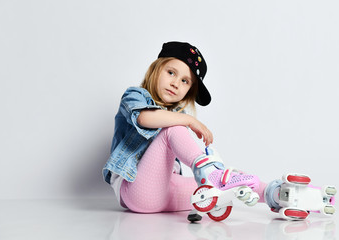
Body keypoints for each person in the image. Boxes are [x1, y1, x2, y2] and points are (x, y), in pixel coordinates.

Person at [102, 41, 268, 213]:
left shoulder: (175, 115)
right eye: (171, 73)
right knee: (173, 128)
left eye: (185, 81)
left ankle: (273, 193)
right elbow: (143, 118)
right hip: (136, 190)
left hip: (167, 190)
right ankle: (207, 171)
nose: (176, 84)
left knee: (225, 182)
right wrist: (188, 120)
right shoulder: (135, 96)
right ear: (155, 69)